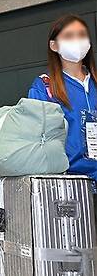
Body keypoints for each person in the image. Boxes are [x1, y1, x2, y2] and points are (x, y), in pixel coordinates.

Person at [28, 15, 97, 181]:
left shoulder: (94, 81)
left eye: (81, 34)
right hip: (71, 183)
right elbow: (37, 139)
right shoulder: (44, 87)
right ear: (54, 45)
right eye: (68, 36)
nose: (77, 40)